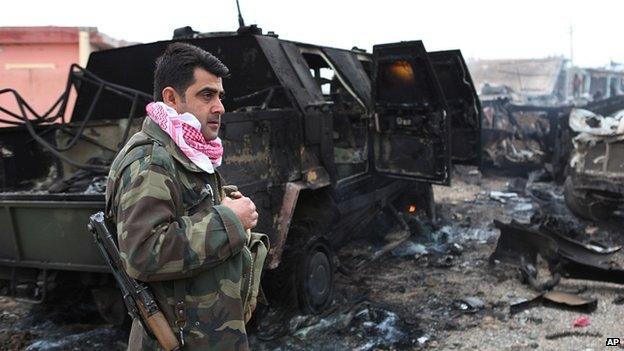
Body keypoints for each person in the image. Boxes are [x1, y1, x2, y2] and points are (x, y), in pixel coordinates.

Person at [105, 42, 268, 351]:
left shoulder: (184, 150)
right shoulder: (151, 161)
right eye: (206, 95)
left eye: (220, 96)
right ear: (171, 98)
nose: (219, 106)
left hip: (209, 334)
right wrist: (230, 219)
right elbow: (144, 253)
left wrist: (222, 202)